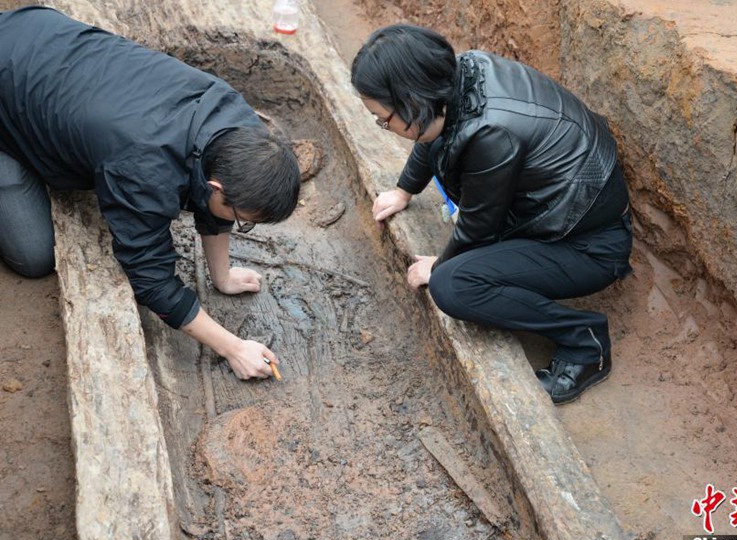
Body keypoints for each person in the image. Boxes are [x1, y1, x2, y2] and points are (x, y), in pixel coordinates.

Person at [0, 6, 300, 380]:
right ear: (218, 188)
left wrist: (220, 276)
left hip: (42, 41)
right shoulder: (143, 167)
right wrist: (234, 348)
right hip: (13, 80)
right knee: (34, 255)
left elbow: (213, 197)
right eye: (244, 221)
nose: (241, 225)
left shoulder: (238, 125)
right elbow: (150, 279)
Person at [351, 24, 633, 404]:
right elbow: (434, 134)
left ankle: (585, 342)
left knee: (454, 286)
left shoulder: (492, 134)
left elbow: (478, 227)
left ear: (411, 103)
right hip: (553, 211)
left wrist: (437, 267)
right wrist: (404, 190)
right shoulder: (462, 74)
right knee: (455, 271)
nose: (383, 126)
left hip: (587, 246)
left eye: (383, 119)